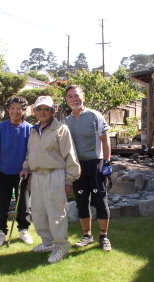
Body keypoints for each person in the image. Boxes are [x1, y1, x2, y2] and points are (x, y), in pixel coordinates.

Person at [20, 96, 80, 264]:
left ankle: (62, 246)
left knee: (56, 213)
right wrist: (26, 167)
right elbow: (30, 153)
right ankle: (48, 242)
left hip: (56, 175)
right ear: (34, 111)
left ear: (53, 111)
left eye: (47, 109)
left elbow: (70, 156)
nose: (43, 112)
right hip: (37, 176)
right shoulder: (33, 130)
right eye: (39, 109)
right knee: (38, 213)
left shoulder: (61, 129)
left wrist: (69, 180)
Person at [64, 85, 112, 251]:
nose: (74, 99)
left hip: (96, 164)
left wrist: (106, 162)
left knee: (100, 201)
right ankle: (87, 236)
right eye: (70, 96)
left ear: (83, 96)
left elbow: (105, 140)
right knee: (81, 202)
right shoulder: (67, 121)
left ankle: (104, 237)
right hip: (78, 167)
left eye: (76, 95)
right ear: (66, 100)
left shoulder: (94, 116)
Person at [0, 97, 33, 247]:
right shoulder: (1, 127)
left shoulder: (29, 128)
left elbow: (31, 152)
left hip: (22, 173)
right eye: (12, 108)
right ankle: (1, 232)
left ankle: (23, 230)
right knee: (2, 205)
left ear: (24, 110)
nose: (15, 111)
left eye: (19, 108)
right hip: (3, 172)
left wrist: (28, 169)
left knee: (23, 205)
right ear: (8, 110)